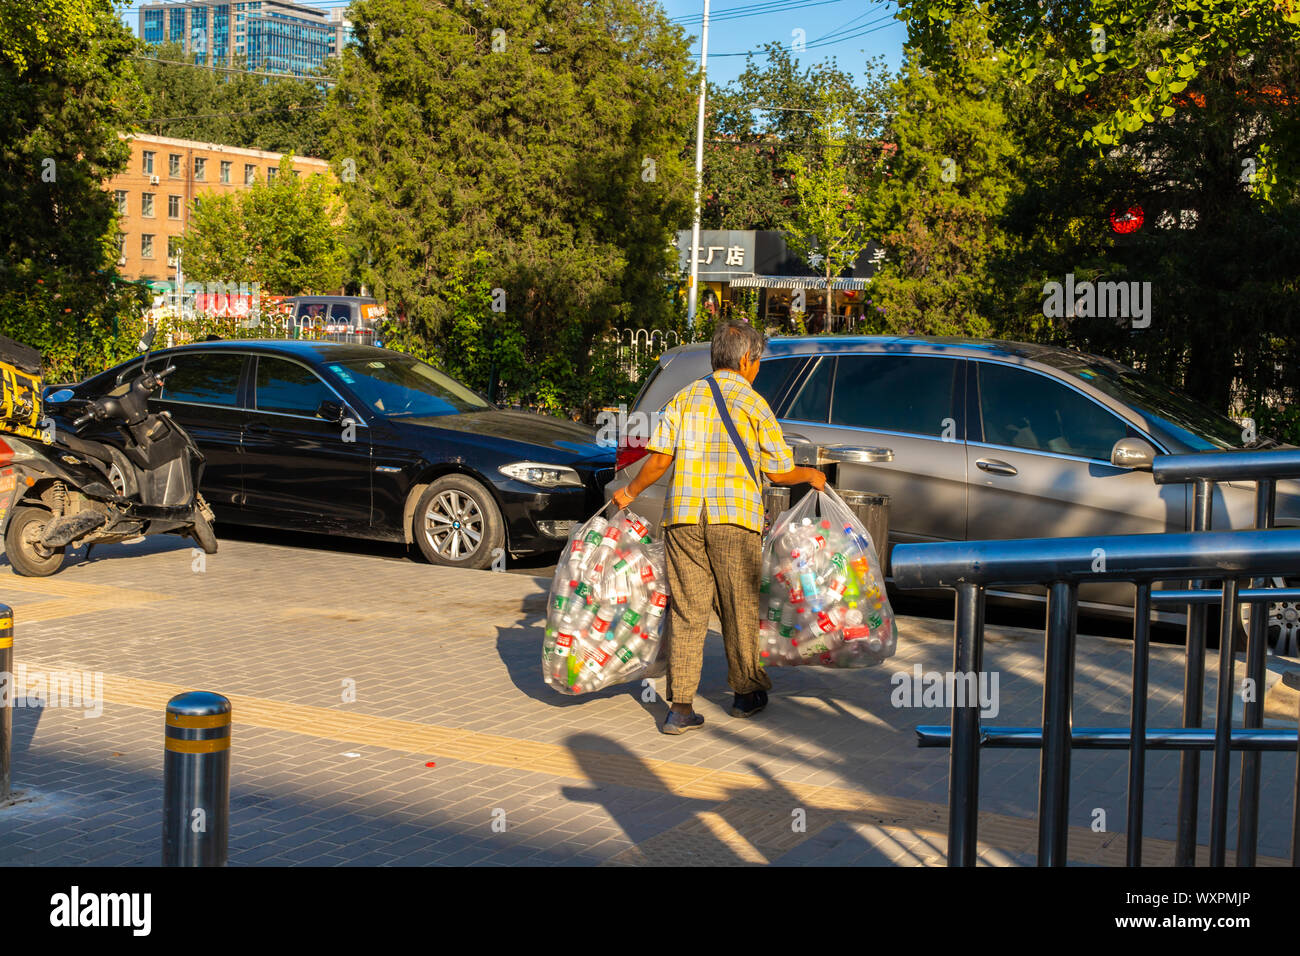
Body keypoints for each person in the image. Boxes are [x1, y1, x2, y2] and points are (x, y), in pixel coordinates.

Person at [612, 321, 826, 734]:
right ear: (746, 359)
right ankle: (745, 694)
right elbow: (779, 471)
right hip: (734, 519)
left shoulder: (684, 398)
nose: (758, 368)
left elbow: (658, 461)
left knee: (689, 611)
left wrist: (630, 493)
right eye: (758, 361)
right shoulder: (754, 404)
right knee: (738, 606)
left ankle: (679, 708)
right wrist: (811, 475)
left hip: (685, 519)